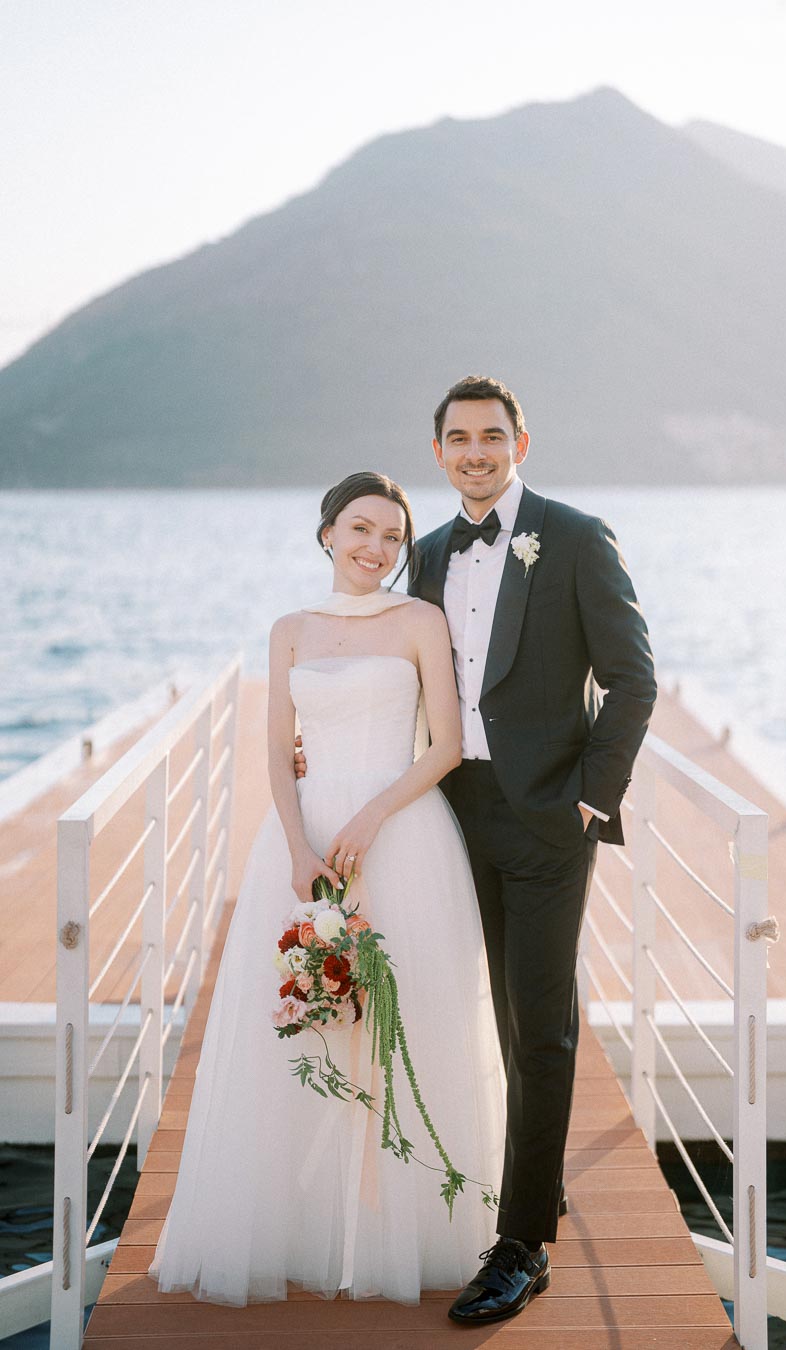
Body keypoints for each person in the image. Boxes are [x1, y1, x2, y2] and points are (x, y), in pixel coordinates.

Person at [300, 375, 657, 1325]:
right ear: (439, 453)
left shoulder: (576, 539)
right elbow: (386, 674)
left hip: (547, 820)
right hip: (447, 817)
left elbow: (633, 679)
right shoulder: (419, 558)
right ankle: (530, 1180)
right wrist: (319, 741)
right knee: (480, 1010)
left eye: (491, 436)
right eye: (458, 438)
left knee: (539, 1026)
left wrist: (590, 802)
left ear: (521, 444)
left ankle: (524, 1243)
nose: (475, 451)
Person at [147, 471, 506, 1307]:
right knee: (303, 1026)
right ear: (326, 533)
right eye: (360, 528)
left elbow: (446, 744)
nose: (375, 548)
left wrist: (375, 816)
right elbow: (276, 748)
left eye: (391, 535)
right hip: (301, 840)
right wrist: (301, 845)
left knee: (405, 1019)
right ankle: (305, 1221)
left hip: (402, 832)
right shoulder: (290, 630)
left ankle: (404, 1225)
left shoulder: (420, 619)